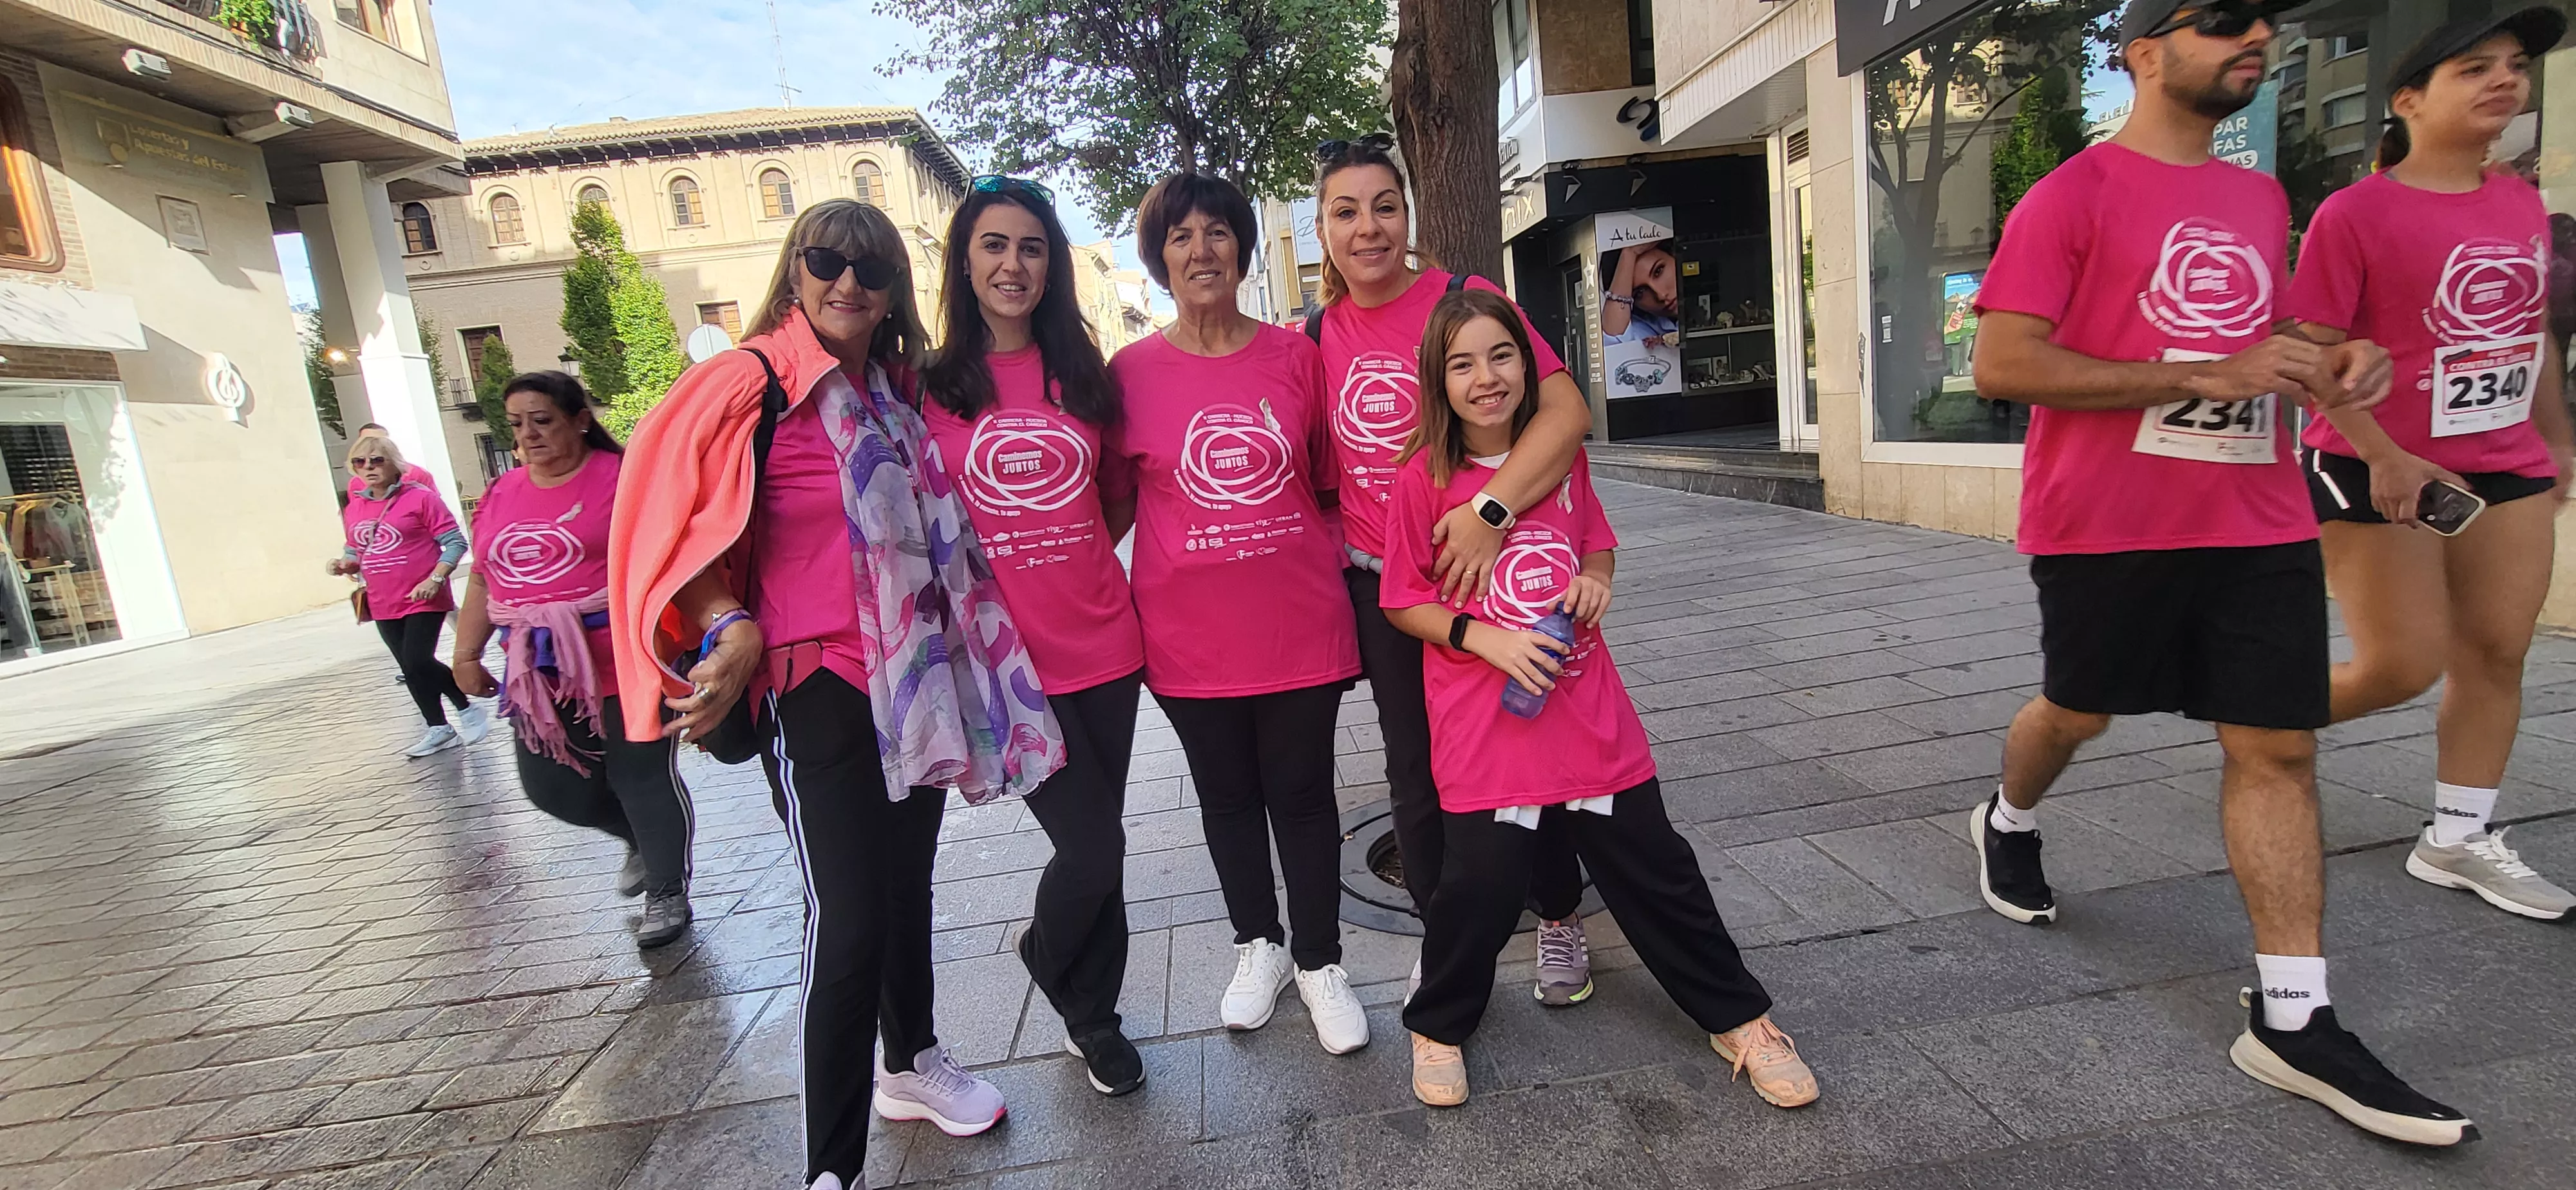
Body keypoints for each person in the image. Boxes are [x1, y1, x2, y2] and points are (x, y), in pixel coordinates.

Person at [1968, 0, 2471, 1146]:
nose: (2253, 37)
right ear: (2144, 53)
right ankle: (2007, 813)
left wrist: (2332, 356)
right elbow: (2005, 360)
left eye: (2262, 25)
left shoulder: (2257, 194)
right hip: (2107, 525)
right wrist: (2198, 368)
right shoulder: (2073, 195)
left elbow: (2267, 336)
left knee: (2278, 747)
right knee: (2079, 710)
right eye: (2217, 22)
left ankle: (2294, 1016)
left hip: (2256, 514)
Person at [608, 198, 1061, 1190]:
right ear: (796, 269)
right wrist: (728, 620)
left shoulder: (895, 393)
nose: (848, 282)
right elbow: (669, 517)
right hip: (812, 682)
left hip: (915, 680)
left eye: (872, 268)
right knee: (847, 918)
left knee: (904, 893)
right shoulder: (750, 381)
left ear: (896, 289)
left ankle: (913, 1063)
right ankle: (833, 1171)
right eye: (828, 261)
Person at [1380, 288, 1815, 1109]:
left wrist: (1592, 583)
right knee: (1476, 887)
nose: (1485, 378)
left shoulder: (1560, 460)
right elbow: (1404, 600)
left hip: (1588, 715)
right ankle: (1437, 1022)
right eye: (1462, 364)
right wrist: (1490, 640)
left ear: (1529, 365)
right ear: (1436, 382)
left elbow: (1599, 547)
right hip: (1487, 729)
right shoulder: (1421, 482)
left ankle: (1739, 1017)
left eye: (1501, 356)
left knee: (1658, 869)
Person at [2288, 9, 2574, 921]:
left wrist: (2558, 437)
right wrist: (2387, 455)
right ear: (2409, 100)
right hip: (2376, 465)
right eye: (2474, 68)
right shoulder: (2355, 213)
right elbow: (2310, 358)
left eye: (2516, 67)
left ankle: (2458, 839)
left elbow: (2530, 334)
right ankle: (2261, 727)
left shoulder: (2520, 200)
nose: (2505, 80)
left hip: (2507, 462)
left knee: (2496, 650)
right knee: (2402, 663)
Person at [1307, 132, 1598, 1005]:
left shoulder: (1464, 298)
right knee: (1417, 764)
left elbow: (1568, 412)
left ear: (1409, 215)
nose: (1369, 230)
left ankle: (1556, 913)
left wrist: (1487, 515)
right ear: (1320, 230)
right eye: (1346, 212)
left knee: (1527, 742)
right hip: (1389, 586)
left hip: (1498, 565)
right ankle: (1444, 934)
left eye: (1384, 207)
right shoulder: (1317, 333)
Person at [1106, 173, 1368, 1054]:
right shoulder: (1130, 374)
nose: (1201, 250)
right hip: (1184, 638)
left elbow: (1332, 484)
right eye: (1179, 237)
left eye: (1217, 232)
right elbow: (1109, 507)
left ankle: (1321, 961)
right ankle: (1259, 945)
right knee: (1226, 799)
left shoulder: (1298, 358)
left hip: (1300, 625)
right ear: (1158, 261)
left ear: (1242, 249)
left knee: (1301, 797)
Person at [916, 175, 1151, 1095]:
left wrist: (1070, 558)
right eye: (994, 246)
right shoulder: (928, 387)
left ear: (1050, 266)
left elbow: (1116, 498)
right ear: (965, 262)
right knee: (1093, 847)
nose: (1014, 264)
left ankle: (1095, 1017)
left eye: (1032, 248)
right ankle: (1055, 966)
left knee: (1106, 840)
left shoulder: (1083, 374)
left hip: (1108, 647)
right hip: (1008, 668)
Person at [451, 372, 696, 949]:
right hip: (537, 670)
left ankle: (667, 889)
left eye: (542, 421)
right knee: (552, 789)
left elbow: (675, 556)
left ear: (580, 419)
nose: (528, 435)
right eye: (516, 425)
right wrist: (466, 653)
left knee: (641, 778)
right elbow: (486, 575)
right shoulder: (502, 493)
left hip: (624, 657)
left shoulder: (623, 480)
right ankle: (638, 837)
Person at [333, 434, 489, 758]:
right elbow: (355, 548)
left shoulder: (420, 498)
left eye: (377, 460)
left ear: (395, 464)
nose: (369, 467)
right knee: (409, 665)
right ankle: (438, 727)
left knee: (418, 660)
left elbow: (456, 543)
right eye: (360, 462)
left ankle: (466, 709)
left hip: (423, 595)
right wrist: (344, 563)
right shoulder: (356, 505)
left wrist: (435, 578)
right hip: (382, 600)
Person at [344, 422, 437, 497]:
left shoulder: (417, 474)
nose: (372, 444)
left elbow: (436, 510)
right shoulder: (356, 483)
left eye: (379, 440)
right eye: (366, 440)